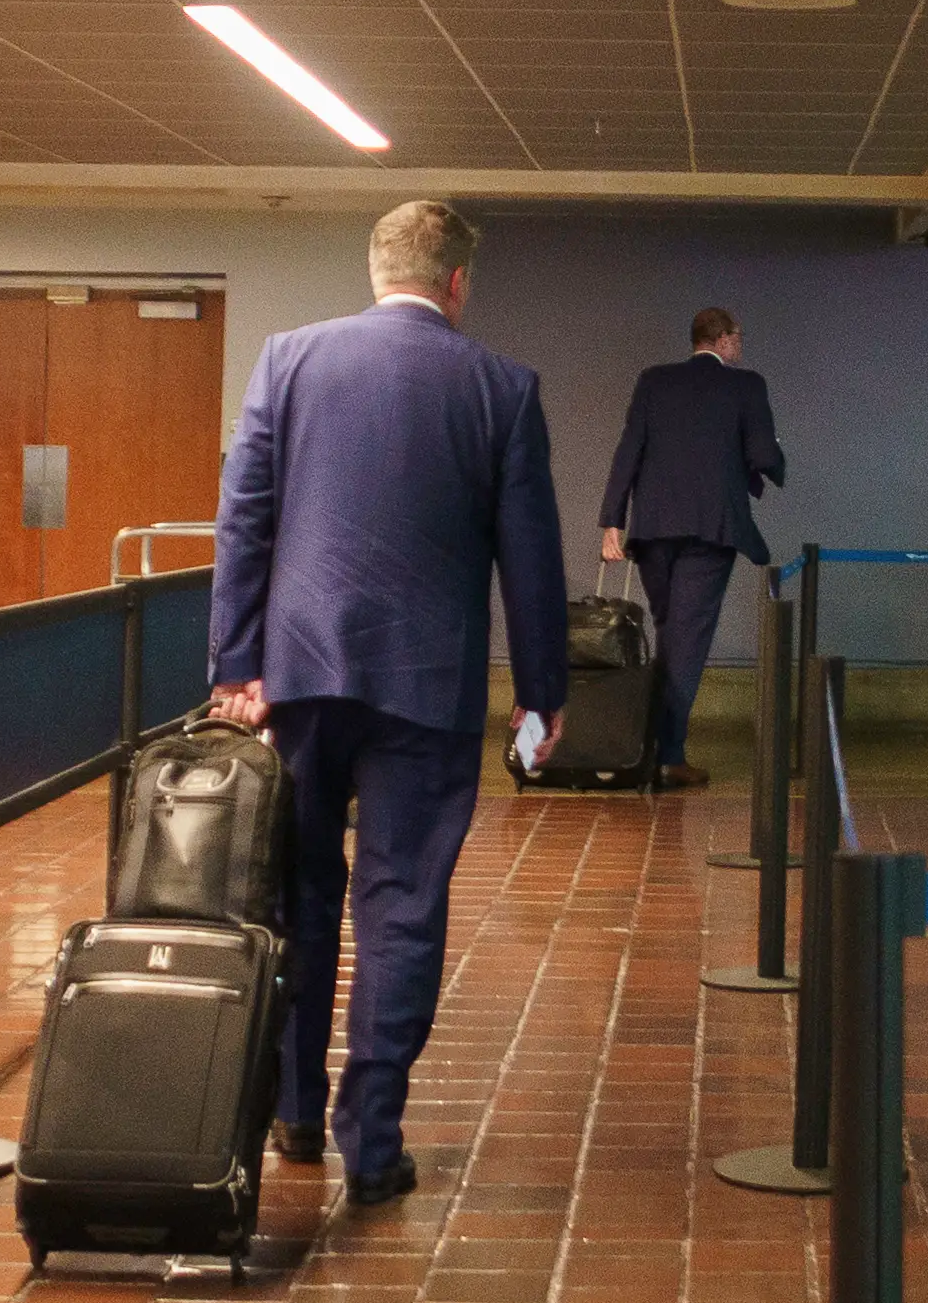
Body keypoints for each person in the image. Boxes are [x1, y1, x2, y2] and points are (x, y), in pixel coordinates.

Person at [210, 200, 569, 1205]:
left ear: (376, 271)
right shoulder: (502, 387)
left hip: (298, 677)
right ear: (458, 281)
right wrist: (540, 696)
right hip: (426, 686)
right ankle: (371, 1143)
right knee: (401, 906)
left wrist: (236, 665)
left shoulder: (288, 360)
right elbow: (530, 559)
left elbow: (243, 520)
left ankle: (292, 1110)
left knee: (297, 895)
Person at [596, 305, 783, 790]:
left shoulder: (654, 381)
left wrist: (612, 520)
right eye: (738, 336)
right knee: (687, 641)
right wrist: (771, 461)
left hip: (653, 529)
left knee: (671, 634)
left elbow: (629, 448)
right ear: (722, 339)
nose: (741, 345)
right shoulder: (747, 386)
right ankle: (667, 755)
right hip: (710, 529)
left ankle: (646, 745)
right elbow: (764, 454)